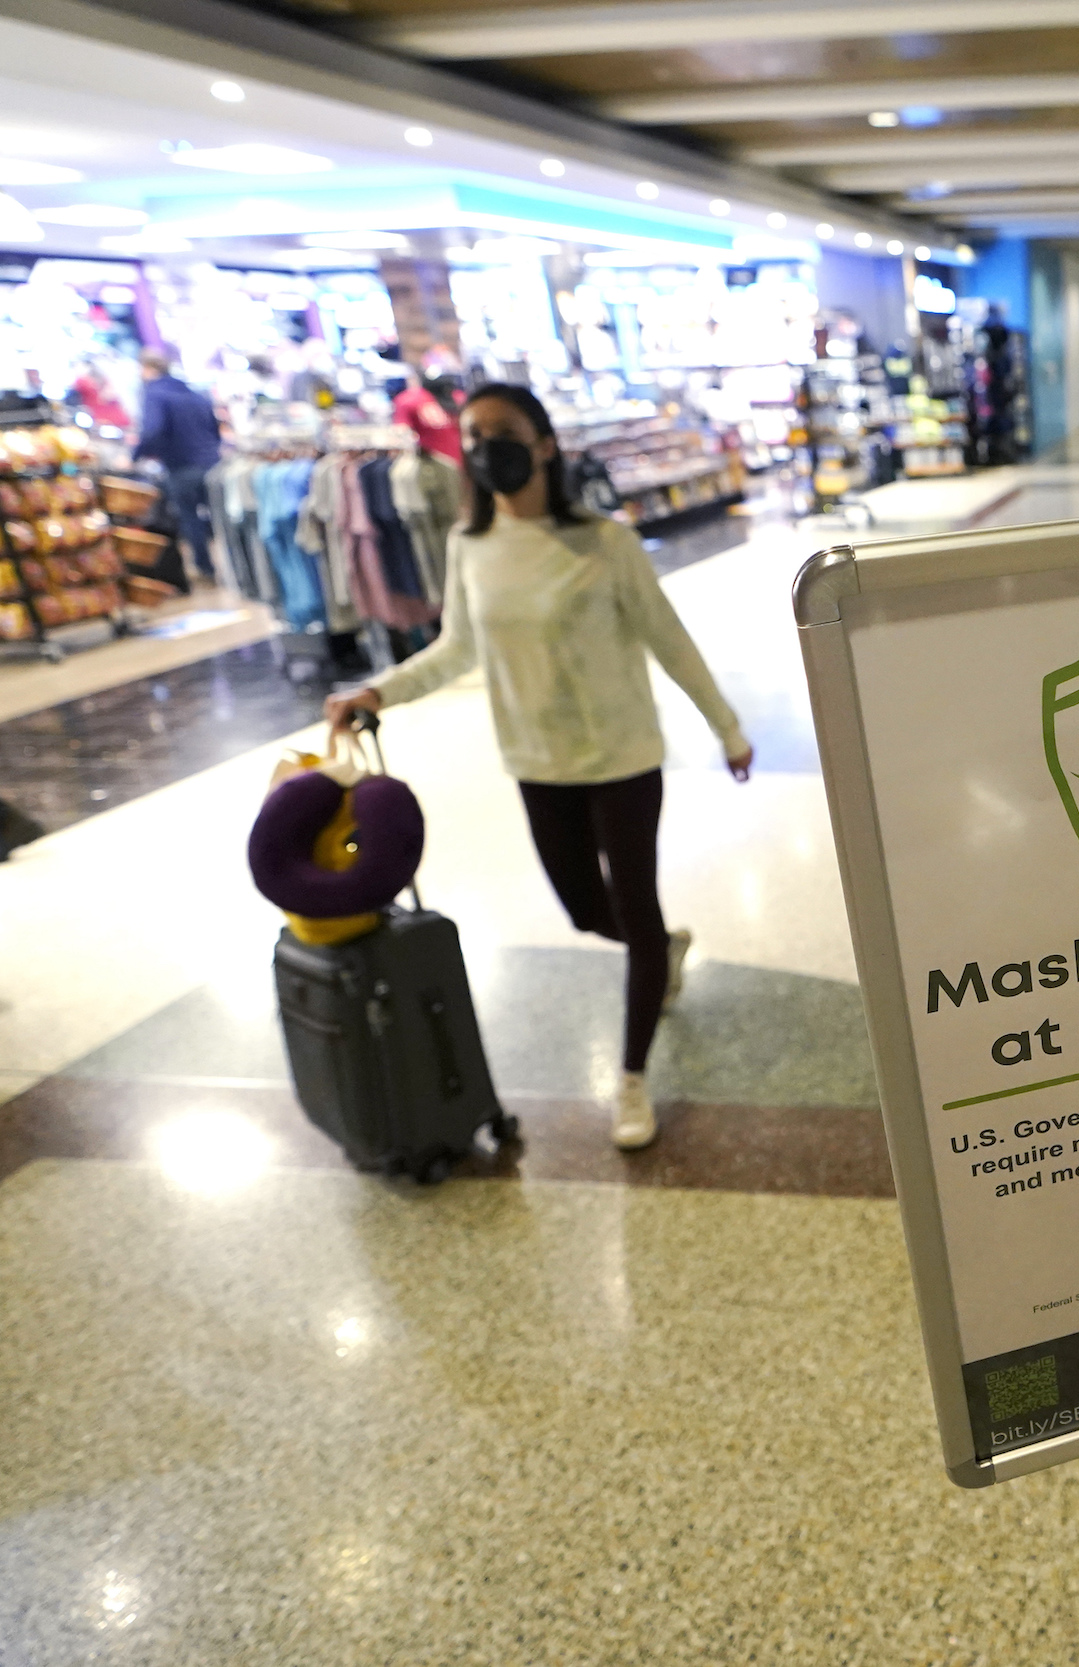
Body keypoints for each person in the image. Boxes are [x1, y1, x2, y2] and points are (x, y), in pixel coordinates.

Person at [324, 383, 752, 1151]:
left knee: (636, 904)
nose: (489, 446)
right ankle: (662, 947)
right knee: (586, 911)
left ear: (546, 443)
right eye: (475, 434)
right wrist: (375, 689)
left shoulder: (604, 542)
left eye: (505, 431)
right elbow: (456, 649)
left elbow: (670, 639)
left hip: (622, 757)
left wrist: (726, 728)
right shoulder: (469, 545)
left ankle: (631, 1076)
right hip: (538, 762)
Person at [132, 349, 225, 587]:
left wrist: (136, 455)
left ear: (148, 369)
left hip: (181, 466)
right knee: (220, 517)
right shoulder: (192, 393)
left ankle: (205, 568)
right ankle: (235, 566)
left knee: (190, 519)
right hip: (211, 463)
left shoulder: (155, 395)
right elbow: (214, 427)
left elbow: (152, 430)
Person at [390, 374, 464, 467]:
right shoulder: (460, 397)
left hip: (432, 468)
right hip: (460, 464)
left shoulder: (407, 399)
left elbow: (401, 434)